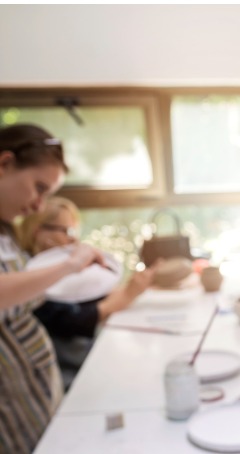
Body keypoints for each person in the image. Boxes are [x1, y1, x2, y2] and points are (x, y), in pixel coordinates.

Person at [0, 123, 106, 453]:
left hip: (29, 394)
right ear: (4, 164)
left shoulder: (6, 236)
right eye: (38, 187)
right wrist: (68, 265)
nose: (38, 204)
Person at [18, 196, 155, 390]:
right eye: (66, 230)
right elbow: (72, 320)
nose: (73, 238)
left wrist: (134, 287)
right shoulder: (28, 276)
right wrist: (127, 295)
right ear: (38, 231)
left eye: (74, 231)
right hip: (67, 375)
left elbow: (91, 299)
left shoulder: (61, 271)